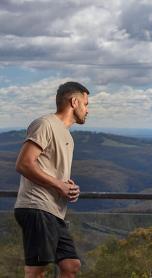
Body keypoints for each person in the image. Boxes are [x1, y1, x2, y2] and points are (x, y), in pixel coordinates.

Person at [14, 81, 89, 278]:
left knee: (71, 265)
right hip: (36, 206)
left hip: (53, 211)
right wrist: (58, 185)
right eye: (86, 104)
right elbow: (24, 164)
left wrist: (68, 186)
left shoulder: (66, 135)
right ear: (74, 102)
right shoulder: (45, 124)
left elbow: (50, 170)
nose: (88, 110)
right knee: (36, 270)